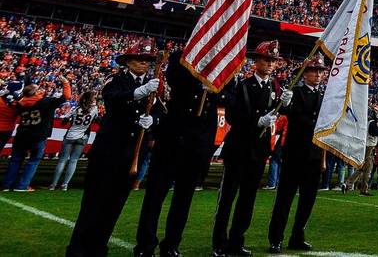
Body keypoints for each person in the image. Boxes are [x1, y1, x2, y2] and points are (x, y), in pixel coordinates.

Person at [66, 40, 159, 257]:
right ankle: (78, 250)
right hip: (109, 153)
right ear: (127, 61)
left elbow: (161, 112)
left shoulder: (155, 86)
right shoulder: (117, 79)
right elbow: (112, 98)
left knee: (114, 206)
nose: (144, 63)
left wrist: (153, 120)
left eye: (147, 60)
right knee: (93, 203)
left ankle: (99, 248)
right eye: (139, 59)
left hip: (131, 156)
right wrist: (140, 92)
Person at [134, 48, 228, 257]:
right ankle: (145, 245)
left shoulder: (221, 60)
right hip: (173, 136)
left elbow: (230, 96)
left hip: (198, 142)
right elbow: (174, 79)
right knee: (155, 195)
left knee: (183, 199)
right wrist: (200, 79)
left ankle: (172, 244)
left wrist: (214, 89)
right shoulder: (181, 56)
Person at [213, 40, 288, 257]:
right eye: (267, 59)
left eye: (274, 61)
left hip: (259, 151)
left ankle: (237, 240)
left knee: (247, 200)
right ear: (256, 61)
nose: (271, 64)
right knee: (227, 199)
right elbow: (232, 116)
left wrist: (286, 103)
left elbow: (280, 112)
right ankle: (219, 243)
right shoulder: (242, 86)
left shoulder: (275, 88)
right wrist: (257, 120)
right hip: (238, 149)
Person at [267, 54, 327, 253]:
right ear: (304, 74)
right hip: (295, 154)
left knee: (307, 201)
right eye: (313, 71)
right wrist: (286, 104)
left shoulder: (324, 98)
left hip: (314, 155)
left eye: (320, 71)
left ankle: (297, 236)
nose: (318, 75)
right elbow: (292, 115)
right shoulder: (296, 93)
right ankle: (276, 237)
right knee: (284, 199)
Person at [4, 76, 72, 191]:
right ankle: (22, 185)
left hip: (22, 134)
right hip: (38, 135)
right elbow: (66, 96)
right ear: (34, 92)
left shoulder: (20, 103)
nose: (41, 90)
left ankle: (7, 185)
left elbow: (13, 104)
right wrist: (65, 82)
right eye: (38, 88)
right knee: (33, 161)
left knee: (15, 160)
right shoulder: (45, 102)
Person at [49, 90, 97, 190]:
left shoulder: (75, 108)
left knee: (62, 160)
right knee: (73, 161)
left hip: (70, 135)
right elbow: (96, 119)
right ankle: (65, 185)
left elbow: (64, 121)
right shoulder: (94, 109)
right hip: (83, 136)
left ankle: (53, 184)